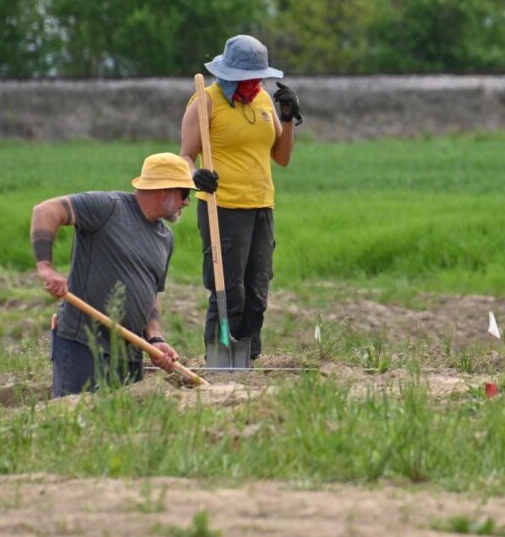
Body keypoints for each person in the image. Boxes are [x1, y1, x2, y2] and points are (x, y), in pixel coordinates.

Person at [180, 34, 302, 361]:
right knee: (228, 292)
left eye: (258, 77)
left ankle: (246, 363)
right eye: (247, 78)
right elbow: (185, 158)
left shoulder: (262, 100)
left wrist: (288, 120)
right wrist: (195, 177)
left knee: (257, 294)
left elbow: (283, 157)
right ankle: (220, 365)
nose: (255, 83)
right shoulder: (205, 101)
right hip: (223, 207)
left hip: (261, 206)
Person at [31, 153, 193, 396]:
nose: (187, 202)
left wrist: (156, 338)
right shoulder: (107, 207)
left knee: (119, 429)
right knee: (74, 420)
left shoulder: (165, 238)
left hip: (129, 353)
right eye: (184, 194)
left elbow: (150, 294)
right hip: (83, 345)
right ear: (165, 190)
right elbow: (45, 210)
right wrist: (46, 268)